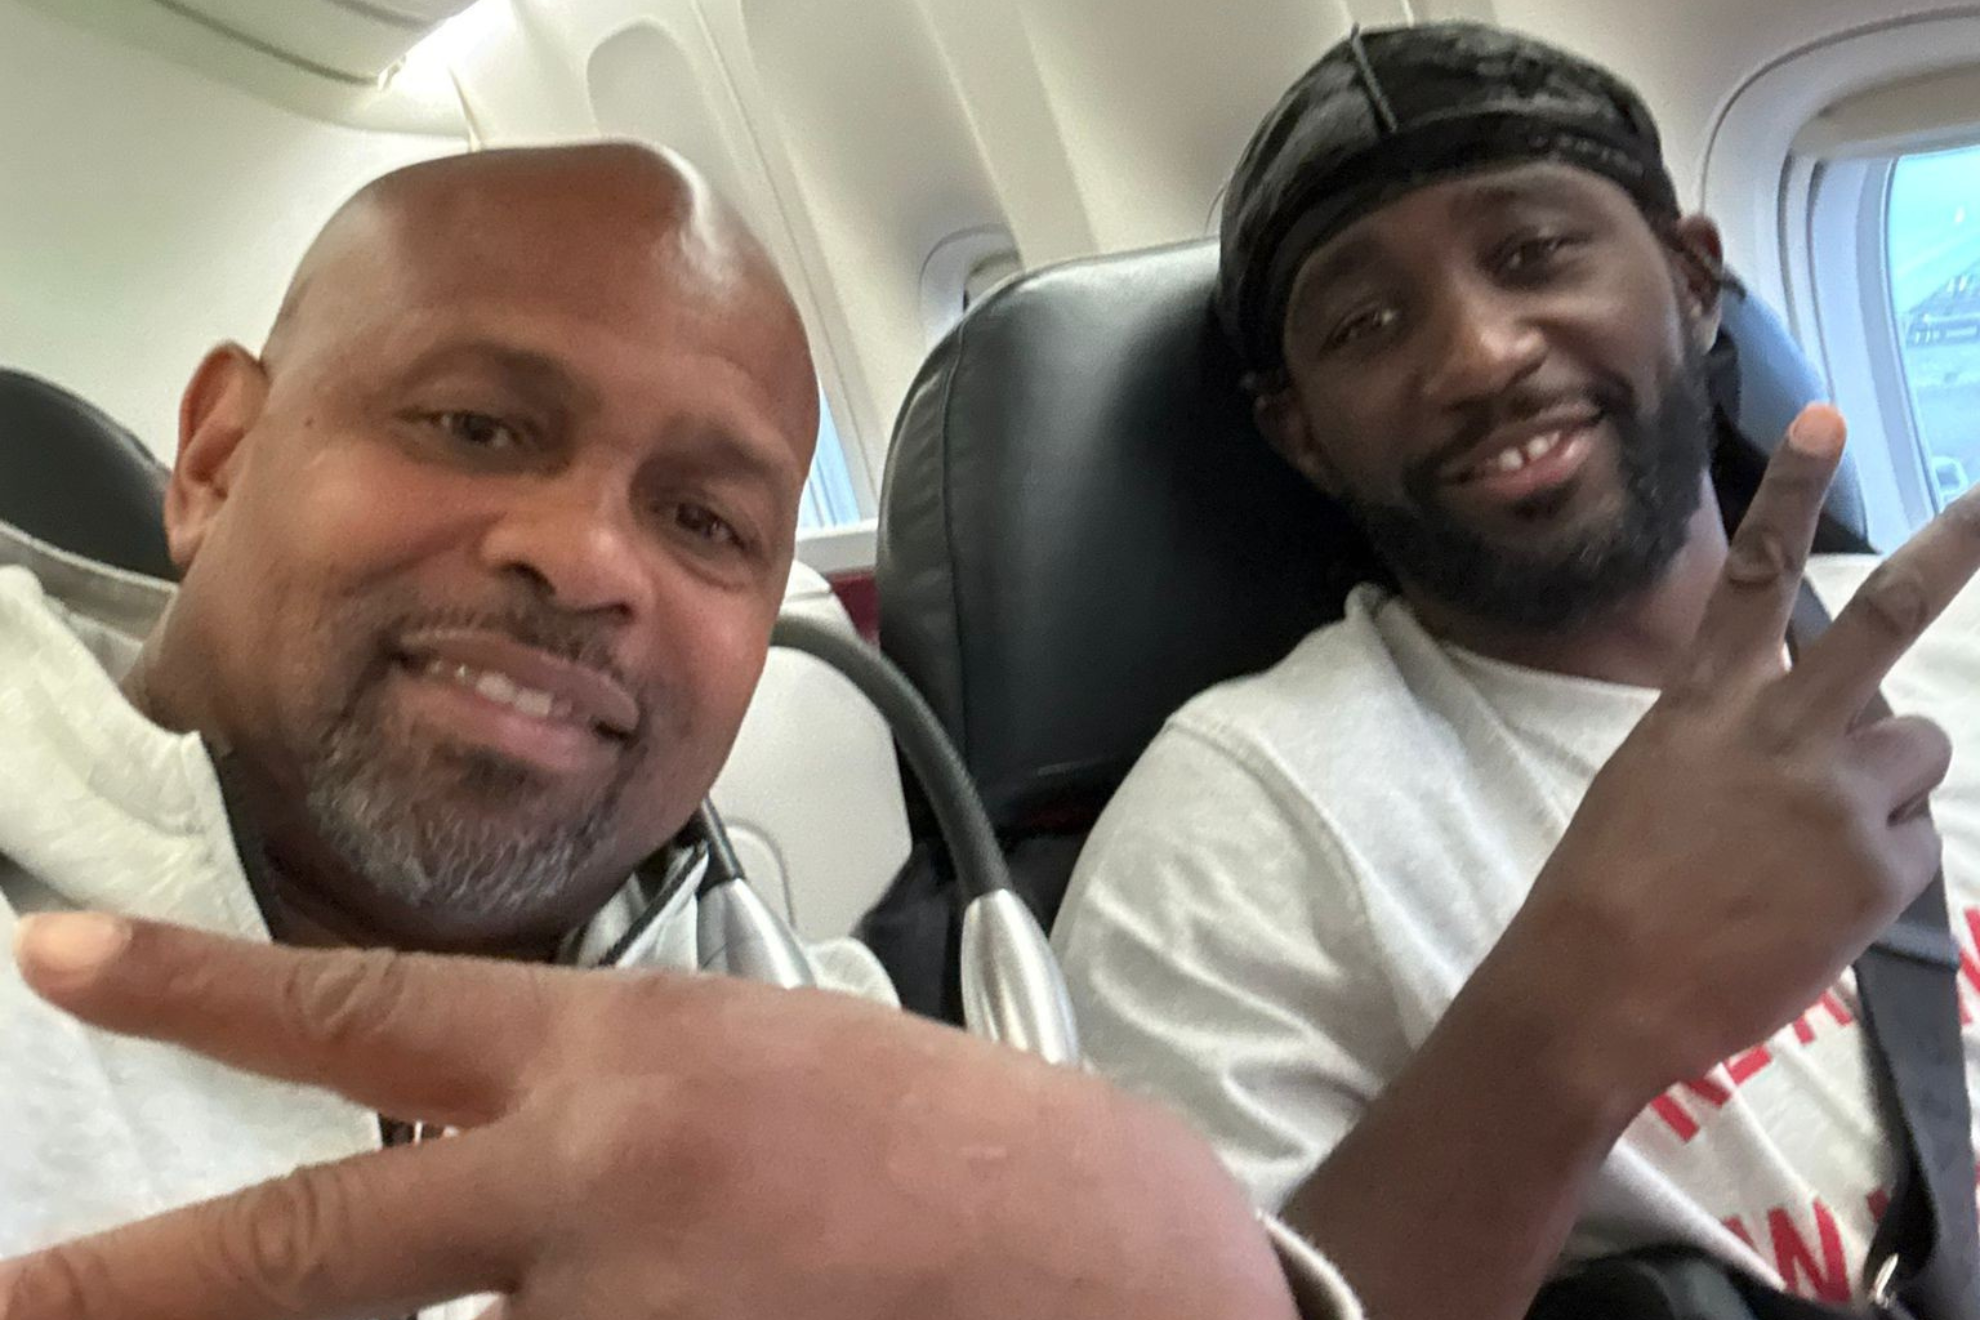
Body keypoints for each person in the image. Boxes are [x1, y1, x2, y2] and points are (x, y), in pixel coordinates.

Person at [0, 142, 1337, 1319]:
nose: (587, 559)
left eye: (704, 520)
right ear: (216, 459)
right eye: (475, 427)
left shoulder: (851, 1071)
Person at [1052, 21, 1980, 1320]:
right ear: (1301, 432)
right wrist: (1585, 1000)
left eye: (1535, 253)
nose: (1479, 356)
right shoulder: (1233, 831)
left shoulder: (1955, 636)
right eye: (1367, 323)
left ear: (1693, 279)